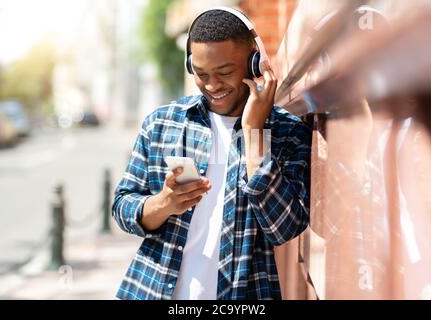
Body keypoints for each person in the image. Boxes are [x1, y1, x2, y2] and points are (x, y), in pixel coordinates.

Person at [112, 7, 311, 300]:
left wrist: (254, 132)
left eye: (225, 72)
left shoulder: (287, 132)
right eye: (201, 74)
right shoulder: (162, 123)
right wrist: (162, 205)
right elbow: (122, 206)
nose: (212, 85)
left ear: (255, 63)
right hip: (149, 291)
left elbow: (283, 228)